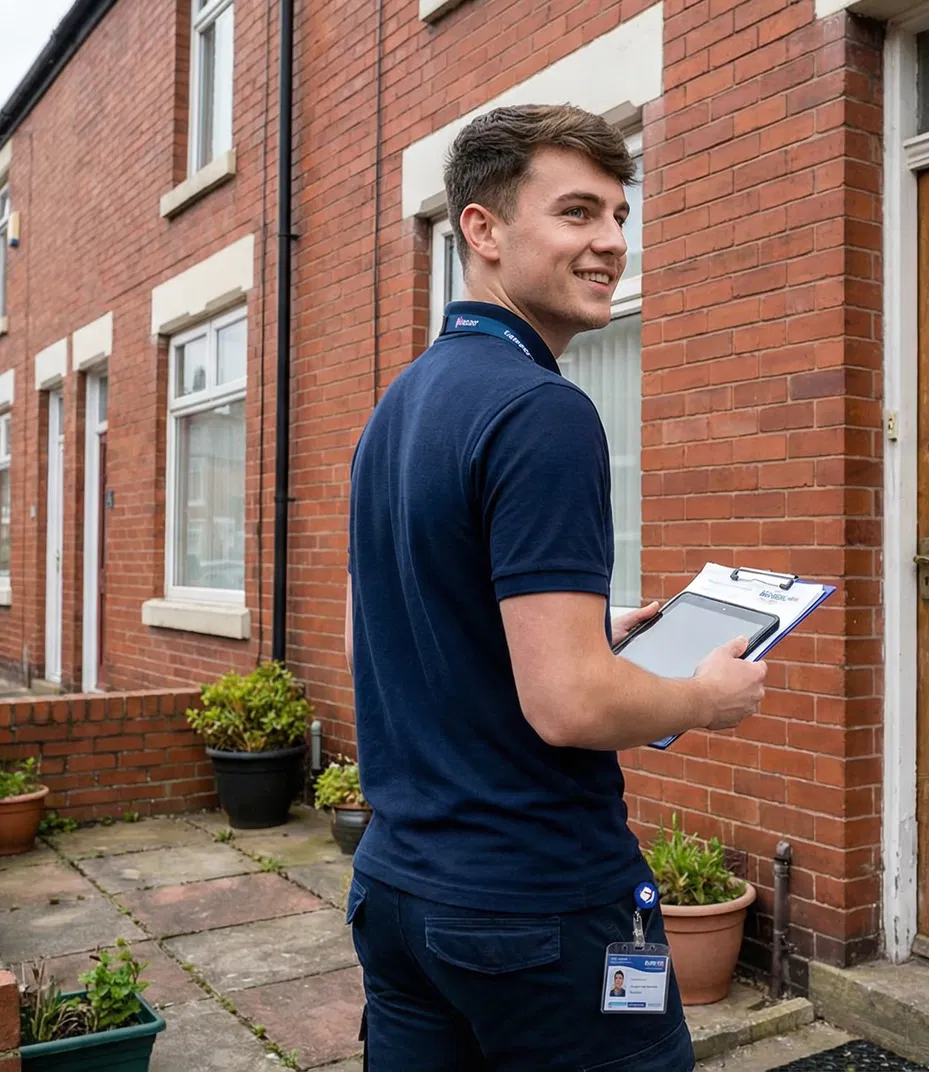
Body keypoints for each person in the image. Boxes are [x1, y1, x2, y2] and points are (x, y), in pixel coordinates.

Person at [343, 103, 768, 1071]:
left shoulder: (398, 407)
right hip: (536, 909)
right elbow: (572, 704)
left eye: (620, 215)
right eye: (578, 213)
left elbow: (395, 623)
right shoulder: (544, 411)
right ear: (483, 231)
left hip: (400, 894)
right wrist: (707, 696)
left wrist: (584, 626)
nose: (613, 243)